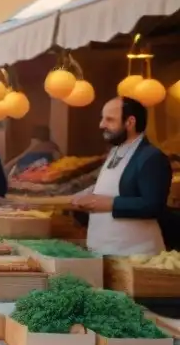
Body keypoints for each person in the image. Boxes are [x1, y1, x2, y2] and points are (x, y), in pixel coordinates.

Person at [73, 97, 171, 256]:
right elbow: (112, 186)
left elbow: (153, 205)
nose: (101, 125)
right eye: (102, 118)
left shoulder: (151, 157)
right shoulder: (114, 151)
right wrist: (86, 194)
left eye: (109, 119)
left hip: (135, 253)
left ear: (130, 122)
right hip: (102, 248)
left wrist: (112, 204)